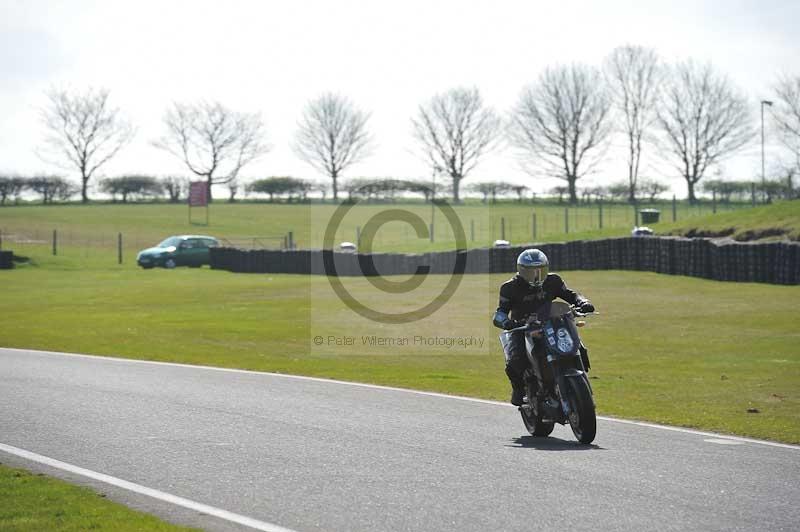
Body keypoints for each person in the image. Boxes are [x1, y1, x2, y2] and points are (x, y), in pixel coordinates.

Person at [492, 248, 595, 406]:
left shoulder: (553, 281)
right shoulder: (509, 288)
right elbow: (500, 313)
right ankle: (518, 389)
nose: (536, 276)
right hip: (522, 328)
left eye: (540, 270)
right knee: (515, 361)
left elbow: (571, 294)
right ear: (521, 271)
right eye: (530, 272)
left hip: (551, 322)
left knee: (576, 345)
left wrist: (583, 302)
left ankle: (579, 381)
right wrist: (507, 322)